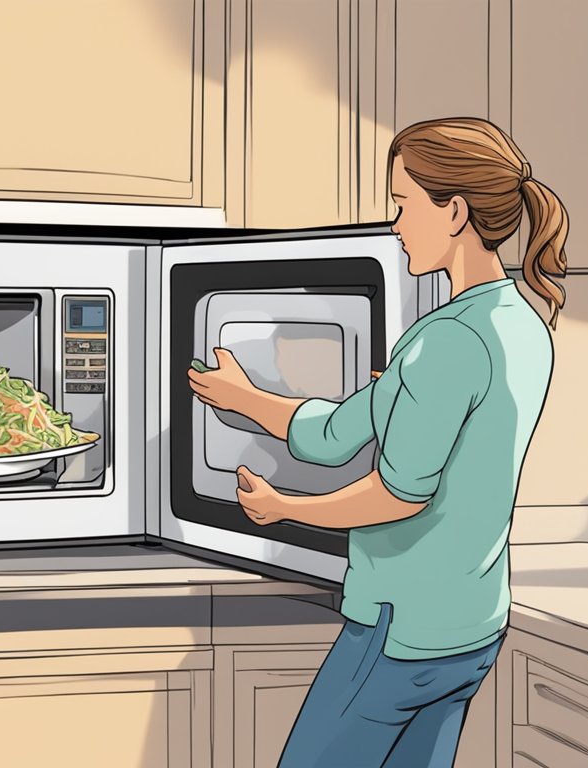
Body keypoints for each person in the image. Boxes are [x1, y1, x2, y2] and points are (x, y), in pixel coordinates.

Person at [187, 117, 568, 767]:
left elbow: (398, 496)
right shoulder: (522, 324)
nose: (395, 225)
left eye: (402, 204)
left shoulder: (445, 342)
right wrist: (245, 397)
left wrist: (285, 508)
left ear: (452, 210)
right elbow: (337, 434)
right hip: (471, 625)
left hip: (401, 628)